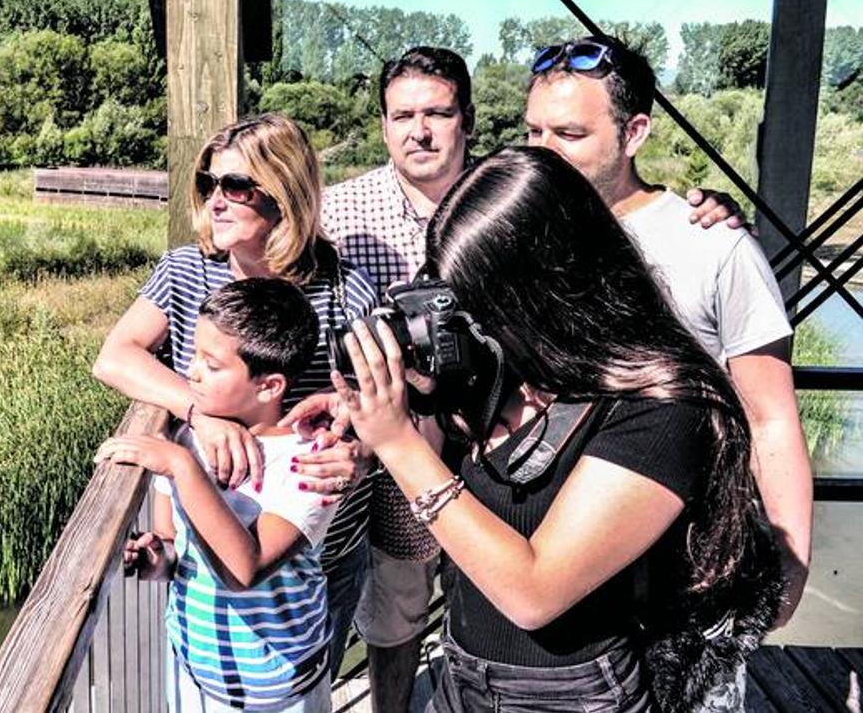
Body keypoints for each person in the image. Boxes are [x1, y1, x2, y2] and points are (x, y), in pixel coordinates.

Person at [287, 43, 791, 711]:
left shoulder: (665, 407)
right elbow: (421, 531)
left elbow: (533, 591)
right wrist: (389, 410)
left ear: (542, 284)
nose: (469, 315)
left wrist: (399, 444)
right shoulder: (516, 367)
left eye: (477, 295)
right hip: (463, 672)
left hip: (572, 692)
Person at [524, 35, 812, 710]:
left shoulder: (714, 245)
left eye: (569, 132)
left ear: (635, 132)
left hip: (692, 573)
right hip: (568, 564)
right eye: (533, 129)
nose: (543, 150)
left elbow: (771, 417)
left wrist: (792, 564)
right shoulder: (525, 237)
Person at [92, 112, 379, 676]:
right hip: (203, 543)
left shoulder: (345, 291)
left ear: (285, 194)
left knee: (304, 679)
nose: (215, 201)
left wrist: (360, 453)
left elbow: (379, 412)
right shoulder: (185, 272)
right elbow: (115, 355)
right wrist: (197, 412)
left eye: (236, 186)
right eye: (209, 184)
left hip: (316, 552)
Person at [98, 278, 339, 712]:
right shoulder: (189, 437)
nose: (190, 371)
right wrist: (157, 559)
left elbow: (244, 569)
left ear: (269, 387)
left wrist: (180, 465)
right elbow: (175, 546)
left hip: (282, 692)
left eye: (210, 364)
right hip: (195, 673)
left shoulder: (312, 462)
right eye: (193, 354)